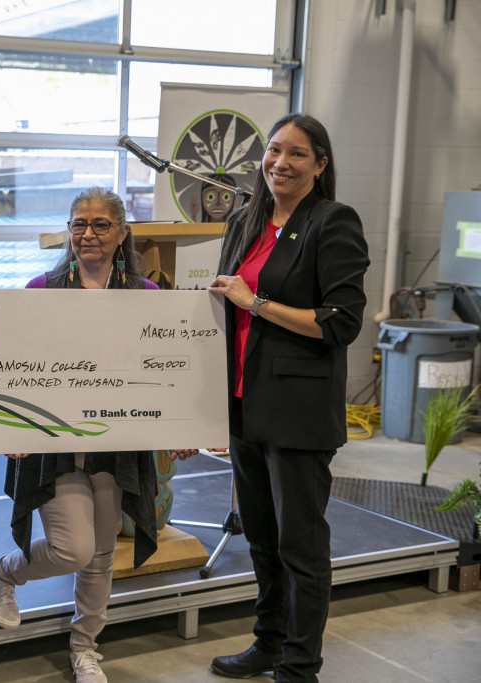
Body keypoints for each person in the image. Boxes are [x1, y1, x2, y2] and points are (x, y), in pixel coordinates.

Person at [0, 187, 167, 683]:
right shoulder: (41, 289)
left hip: (114, 447)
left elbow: (166, 371)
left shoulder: (146, 297)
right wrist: (9, 426)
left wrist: (183, 426)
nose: (88, 233)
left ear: (122, 233)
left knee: (101, 556)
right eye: (79, 223)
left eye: (101, 224)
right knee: (72, 550)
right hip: (53, 449)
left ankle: (85, 647)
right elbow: (9, 367)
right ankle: (1, 572)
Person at [205, 113, 369, 682]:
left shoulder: (333, 223)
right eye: (274, 150)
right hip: (243, 406)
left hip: (298, 414)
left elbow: (339, 323)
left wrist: (256, 303)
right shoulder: (245, 221)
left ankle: (300, 668)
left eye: (298, 153)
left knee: (301, 548)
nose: (281, 162)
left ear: (320, 165)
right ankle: (268, 645)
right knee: (262, 540)